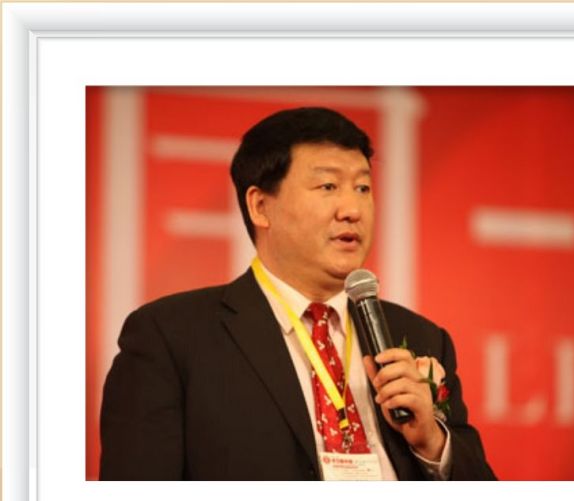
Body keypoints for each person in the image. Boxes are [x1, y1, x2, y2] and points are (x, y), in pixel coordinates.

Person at [99, 107, 496, 481]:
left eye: (363, 187)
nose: (353, 209)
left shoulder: (420, 338)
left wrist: (432, 442)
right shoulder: (172, 337)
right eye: (328, 186)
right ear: (260, 206)